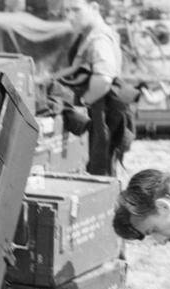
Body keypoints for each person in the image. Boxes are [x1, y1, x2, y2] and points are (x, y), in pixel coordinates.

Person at [62, 0, 129, 177]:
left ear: (94, 8)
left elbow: (103, 79)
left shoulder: (99, 38)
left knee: (98, 173)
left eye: (76, 10)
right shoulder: (89, 34)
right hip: (98, 113)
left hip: (101, 115)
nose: (70, 16)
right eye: (66, 11)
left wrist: (83, 102)